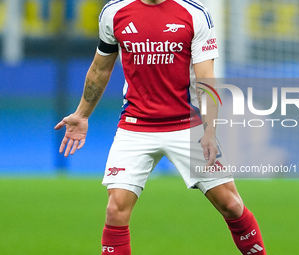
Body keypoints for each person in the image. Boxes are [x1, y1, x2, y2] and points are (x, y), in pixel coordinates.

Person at [55, 0, 267, 254]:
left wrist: (210, 131)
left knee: (231, 204)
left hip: (187, 125)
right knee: (115, 208)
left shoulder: (194, 14)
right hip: (135, 126)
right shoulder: (113, 12)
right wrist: (82, 114)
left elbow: (206, 78)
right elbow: (100, 68)